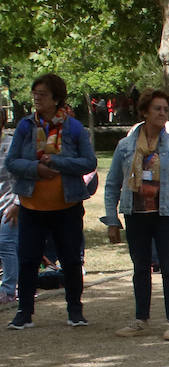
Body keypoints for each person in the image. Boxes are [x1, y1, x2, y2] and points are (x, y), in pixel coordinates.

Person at [4, 73, 96, 330]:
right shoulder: (25, 127)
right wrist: (36, 169)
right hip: (32, 206)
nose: (37, 98)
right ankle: (24, 312)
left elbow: (89, 162)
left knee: (71, 259)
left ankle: (75, 311)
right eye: (35, 94)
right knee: (28, 259)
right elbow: (12, 163)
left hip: (67, 206)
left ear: (56, 98)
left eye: (42, 94)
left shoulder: (73, 128)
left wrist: (57, 162)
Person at [101, 89, 169, 341]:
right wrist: (112, 220)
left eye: (165, 109)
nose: (162, 113)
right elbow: (112, 185)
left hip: (167, 215)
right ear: (144, 112)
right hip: (136, 214)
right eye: (157, 109)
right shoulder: (125, 146)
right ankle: (140, 318)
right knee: (140, 267)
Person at [0, 109, 17, 307]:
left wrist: (17, 204)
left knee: (6, 244)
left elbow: (20, 178)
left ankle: (8, 291)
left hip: (9, 203)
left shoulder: (11, 145)